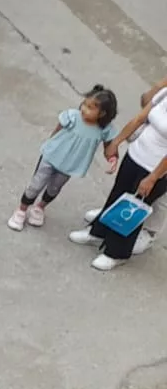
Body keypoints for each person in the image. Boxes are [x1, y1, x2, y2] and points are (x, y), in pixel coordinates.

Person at [74, 82, 167, 271]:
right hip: (135, 155)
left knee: (134, 209)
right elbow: (140, 118)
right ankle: (97, 232)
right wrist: (116, 142)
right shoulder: (165, 94)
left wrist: (153, 177)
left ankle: (117, 253)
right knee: (118, 195)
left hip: (156, 169)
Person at [11, 87, 118, 232]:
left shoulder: (104, 130)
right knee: (36, 184)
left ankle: (39, 208)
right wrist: (49, 144)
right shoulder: (72, 116)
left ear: (103, 114)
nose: (84, 109)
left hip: (70, 166)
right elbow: (57, 131)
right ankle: (21, 210)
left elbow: (109, 147)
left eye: (90, 108)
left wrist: (113, 158)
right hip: (51, 157)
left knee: (55, 188)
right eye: (84, 104)